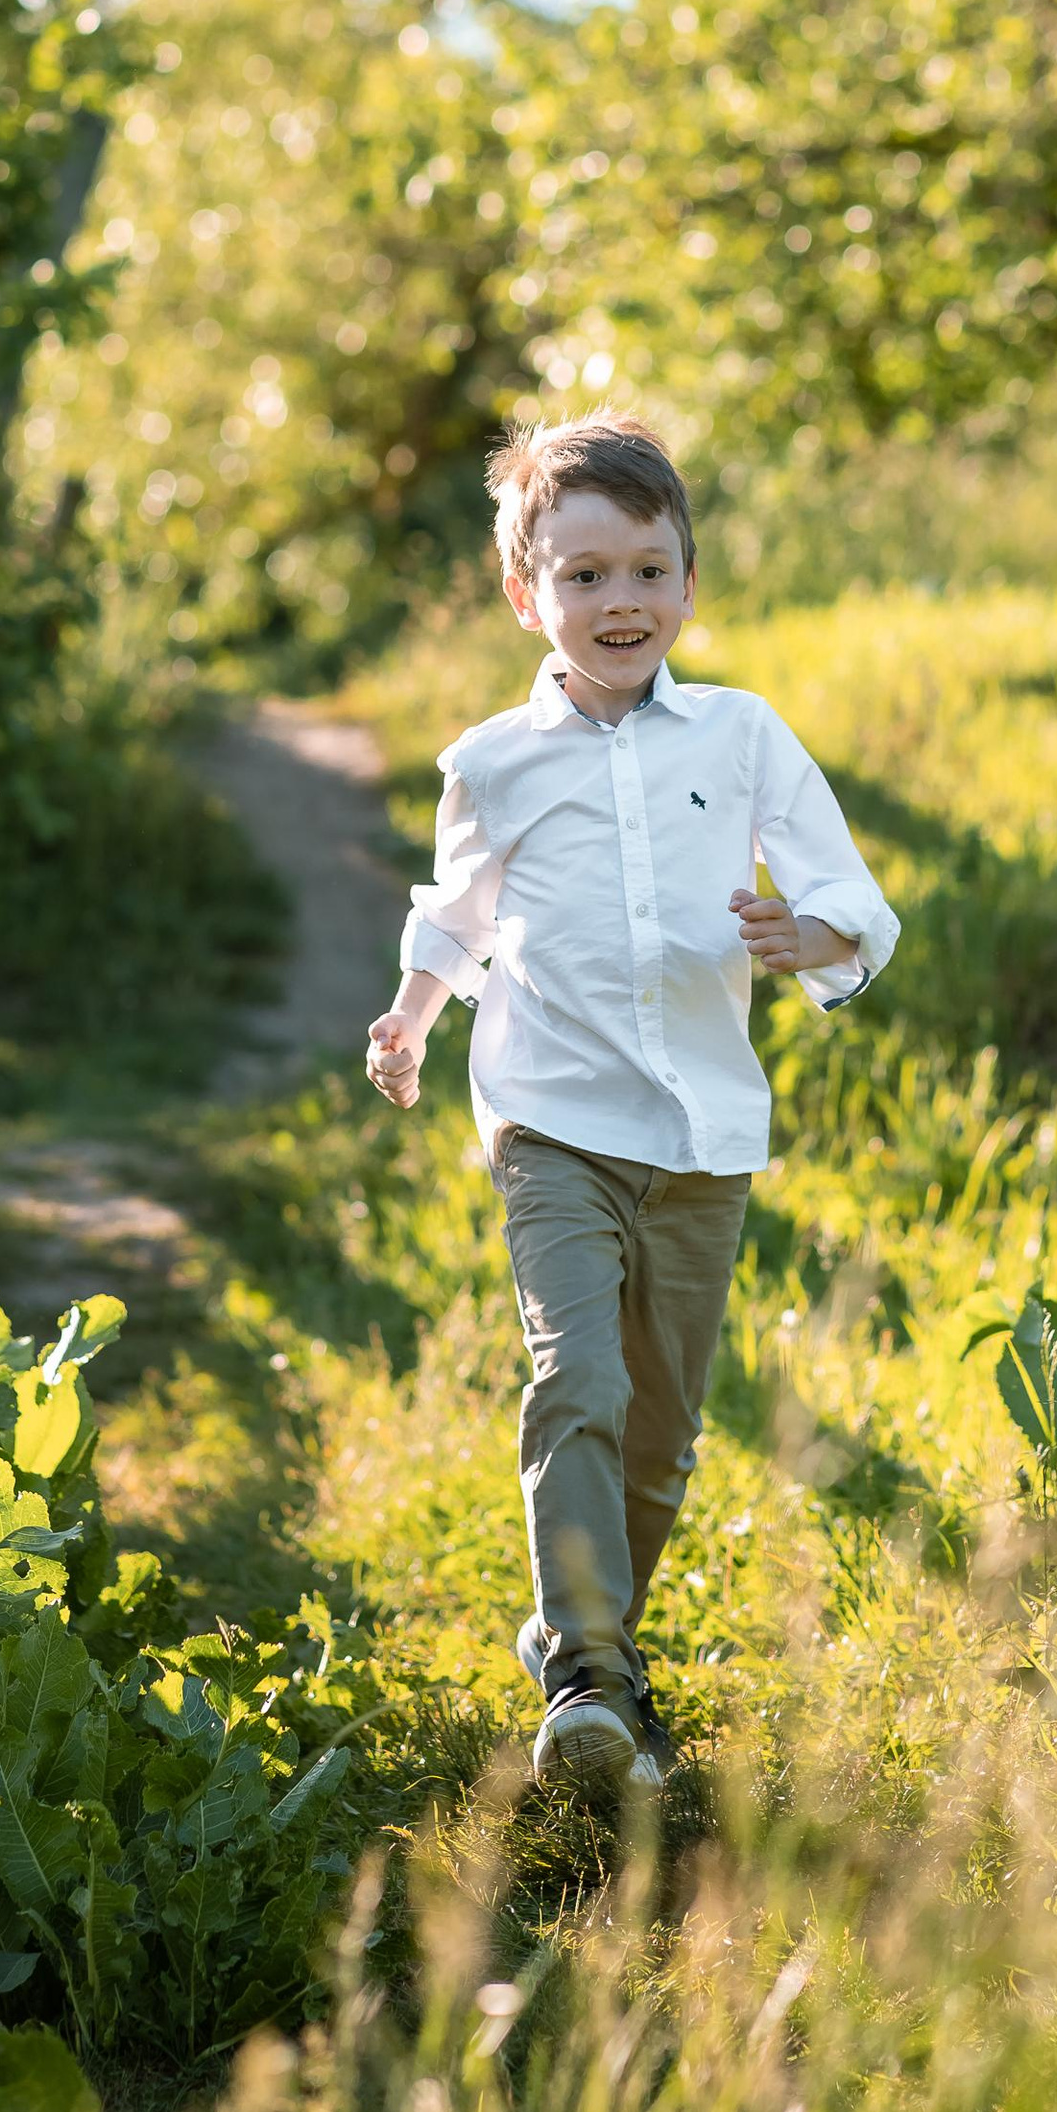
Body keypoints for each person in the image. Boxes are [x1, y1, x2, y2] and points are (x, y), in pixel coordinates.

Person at [365, 413, 899, 1796]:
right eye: (585, 575)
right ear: (525, 593)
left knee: (660, 1426)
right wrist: (414, 1021)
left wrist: (816, 940)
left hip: (704, 1136)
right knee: (580, 1381)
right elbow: (457, 914)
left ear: (689, 584)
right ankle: (591, 1682)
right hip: (551, 1123)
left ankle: (592, 1639)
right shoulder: (494, 762)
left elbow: (851, 891)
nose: (620, 603)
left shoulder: (745, 732)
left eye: (647, 572)